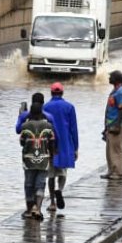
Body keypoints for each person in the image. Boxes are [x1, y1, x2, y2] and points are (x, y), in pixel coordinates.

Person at [17, 95, 55, 220]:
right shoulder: (48, 126)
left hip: (29, 160)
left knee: (29, 184)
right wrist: (52, 156)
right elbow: (52, 143)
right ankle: (37, 209)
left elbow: (22, 142)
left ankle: (29, 210)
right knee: (40, 184)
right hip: (44, 160)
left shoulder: (25, 126)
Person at [42, 82, 78, 211]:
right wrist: (76, 148)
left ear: (51, 93)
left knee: (50, 174)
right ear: (62, 93)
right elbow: (73, 128)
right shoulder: (69, 107)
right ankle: (60, 190)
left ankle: (52, 202)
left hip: (50, 144)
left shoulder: (45, 107)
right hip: (65, 143)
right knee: (63, 171)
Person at [102, 72, 122, 179]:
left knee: (116, 149)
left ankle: (118, 172)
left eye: (111, 77)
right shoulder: (115, 90)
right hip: (110, 124)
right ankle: (111, 170)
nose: (109, 78)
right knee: (109, 150)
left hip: (116, 124)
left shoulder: (120, 92)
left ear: (116, 79)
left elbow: (121, 109)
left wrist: (117, 124)